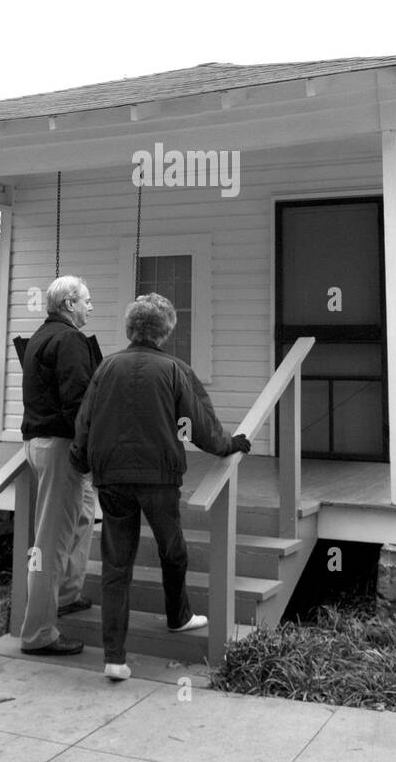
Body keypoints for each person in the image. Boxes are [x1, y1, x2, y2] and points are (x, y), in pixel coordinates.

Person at [71, 293, 250, 681]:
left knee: (117, 564)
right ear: (166, 330)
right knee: (174, 550)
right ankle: (178, 615)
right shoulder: (175, 369)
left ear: (130, 328)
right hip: (158, 478)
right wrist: (229, 445)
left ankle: (114, 658)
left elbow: (85, 420)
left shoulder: (106, 367)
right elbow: (201, 424)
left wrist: (81, 458)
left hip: (112, 477)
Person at [19, 275, 102, 656]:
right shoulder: (69, 340)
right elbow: (78, 402)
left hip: (44, 444)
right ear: (69, 304)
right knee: (50, 542)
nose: (90, 307)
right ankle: (38, 633)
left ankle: (67, 594)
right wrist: (90, 448)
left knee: (84, 516)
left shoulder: (40, 335)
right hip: (62, 447)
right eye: (86, 301)